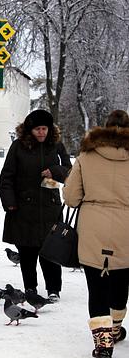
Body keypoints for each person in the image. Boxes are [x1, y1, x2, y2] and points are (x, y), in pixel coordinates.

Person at [63, 110, 129, 358]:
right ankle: (115, 329)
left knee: (97, 287)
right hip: (126, 228)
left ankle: (103, 345)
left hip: (93, 228)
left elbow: (71, 198)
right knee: (121, 281)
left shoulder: (86, 155)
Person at [0, 109, 72, 301]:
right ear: (30, 130)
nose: (41, 132)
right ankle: (30, 288)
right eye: (38, 129)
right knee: (27, 251)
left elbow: (69, 170)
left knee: (51, 250)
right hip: (23, 208)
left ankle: (54, 289)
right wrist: (10, 203)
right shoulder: (18, 147)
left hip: (50, 207)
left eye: (44, 129)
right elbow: (6, 177)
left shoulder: (56, 145)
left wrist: (55, 172)